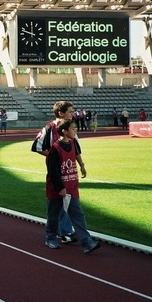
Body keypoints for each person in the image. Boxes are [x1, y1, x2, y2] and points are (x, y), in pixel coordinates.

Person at [44, 119, 101, 254]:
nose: (76, 130)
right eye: (73, 128)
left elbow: (75, 155)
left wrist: (82, 165)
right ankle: (51, 238)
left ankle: (87, 242)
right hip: (57, 189)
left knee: (77, 215)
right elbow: (53, 171)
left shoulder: (73, 142)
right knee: (54, 215)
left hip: (72, 187)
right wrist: (60, 188)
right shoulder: (55, 149)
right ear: (64, 131)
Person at [32, 100, 81, 243]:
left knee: (67, 200)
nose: (73, 114)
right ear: (61, 113)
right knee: (56, 202)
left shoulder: (71, 129)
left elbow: (76, 149)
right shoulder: (49, 128)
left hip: (69, 170)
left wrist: (81, 164)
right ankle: (58, 233)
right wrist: (54, 156)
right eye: (70, 111)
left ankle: (65, 231)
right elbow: (37, 146)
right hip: (56, 171)